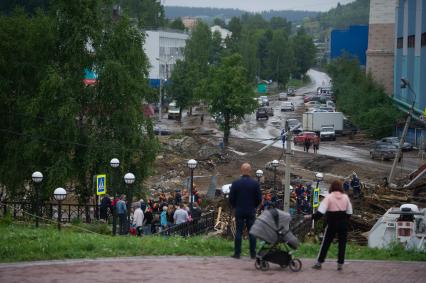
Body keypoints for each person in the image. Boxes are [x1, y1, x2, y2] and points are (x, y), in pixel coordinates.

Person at [305, 180, 353, 271]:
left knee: (326, 243)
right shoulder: (345, 197)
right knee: (342, 244)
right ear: (340, 187)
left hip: (332, 223)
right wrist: (344, 219)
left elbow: (320, 213)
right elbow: (350, 212)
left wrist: (310, 216)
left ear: (331, 187)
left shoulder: (329, 198)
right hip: (343, 223)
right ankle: (340, 264)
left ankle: (319, 263)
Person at [229, 163, 262, 259]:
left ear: (241, 170)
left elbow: (231, 198)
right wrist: (254, 206)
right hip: (250, 210)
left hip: (239, 209)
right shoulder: (255, 183)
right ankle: (253, 254)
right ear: (250, 170)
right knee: (252, 232)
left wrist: (235, 206)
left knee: (238, 231)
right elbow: (259, 198)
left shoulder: (236, 183)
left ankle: (237, 253)